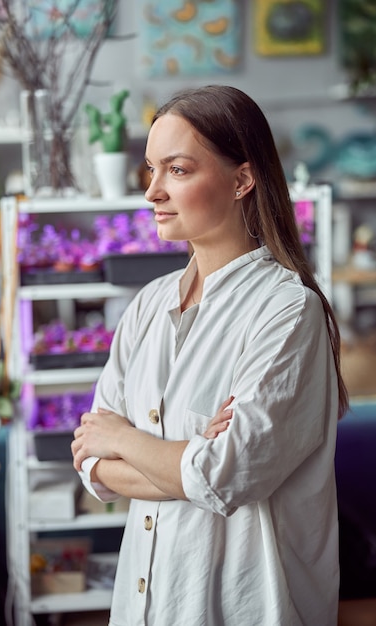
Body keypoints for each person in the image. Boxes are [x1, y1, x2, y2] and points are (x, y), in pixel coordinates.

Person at [72, 85, 348, 626]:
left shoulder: (288, 312)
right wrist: (188, 457)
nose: (152, 192)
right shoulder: (148, 306)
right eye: (149, 170)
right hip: (145, 607)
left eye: (176, 170)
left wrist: (126, 440)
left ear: (242, 179)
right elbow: (92, 466)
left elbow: (226, 474)